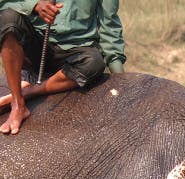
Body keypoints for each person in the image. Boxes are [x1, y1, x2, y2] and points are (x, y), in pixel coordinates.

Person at [0, 0, 124, 134]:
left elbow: (109, 25)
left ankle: (29, 91)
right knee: (8, 18)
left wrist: (121, 79)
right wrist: (34, 5)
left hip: (77, 50)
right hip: (37, 45)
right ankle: (18, 104)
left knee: (95, 61)